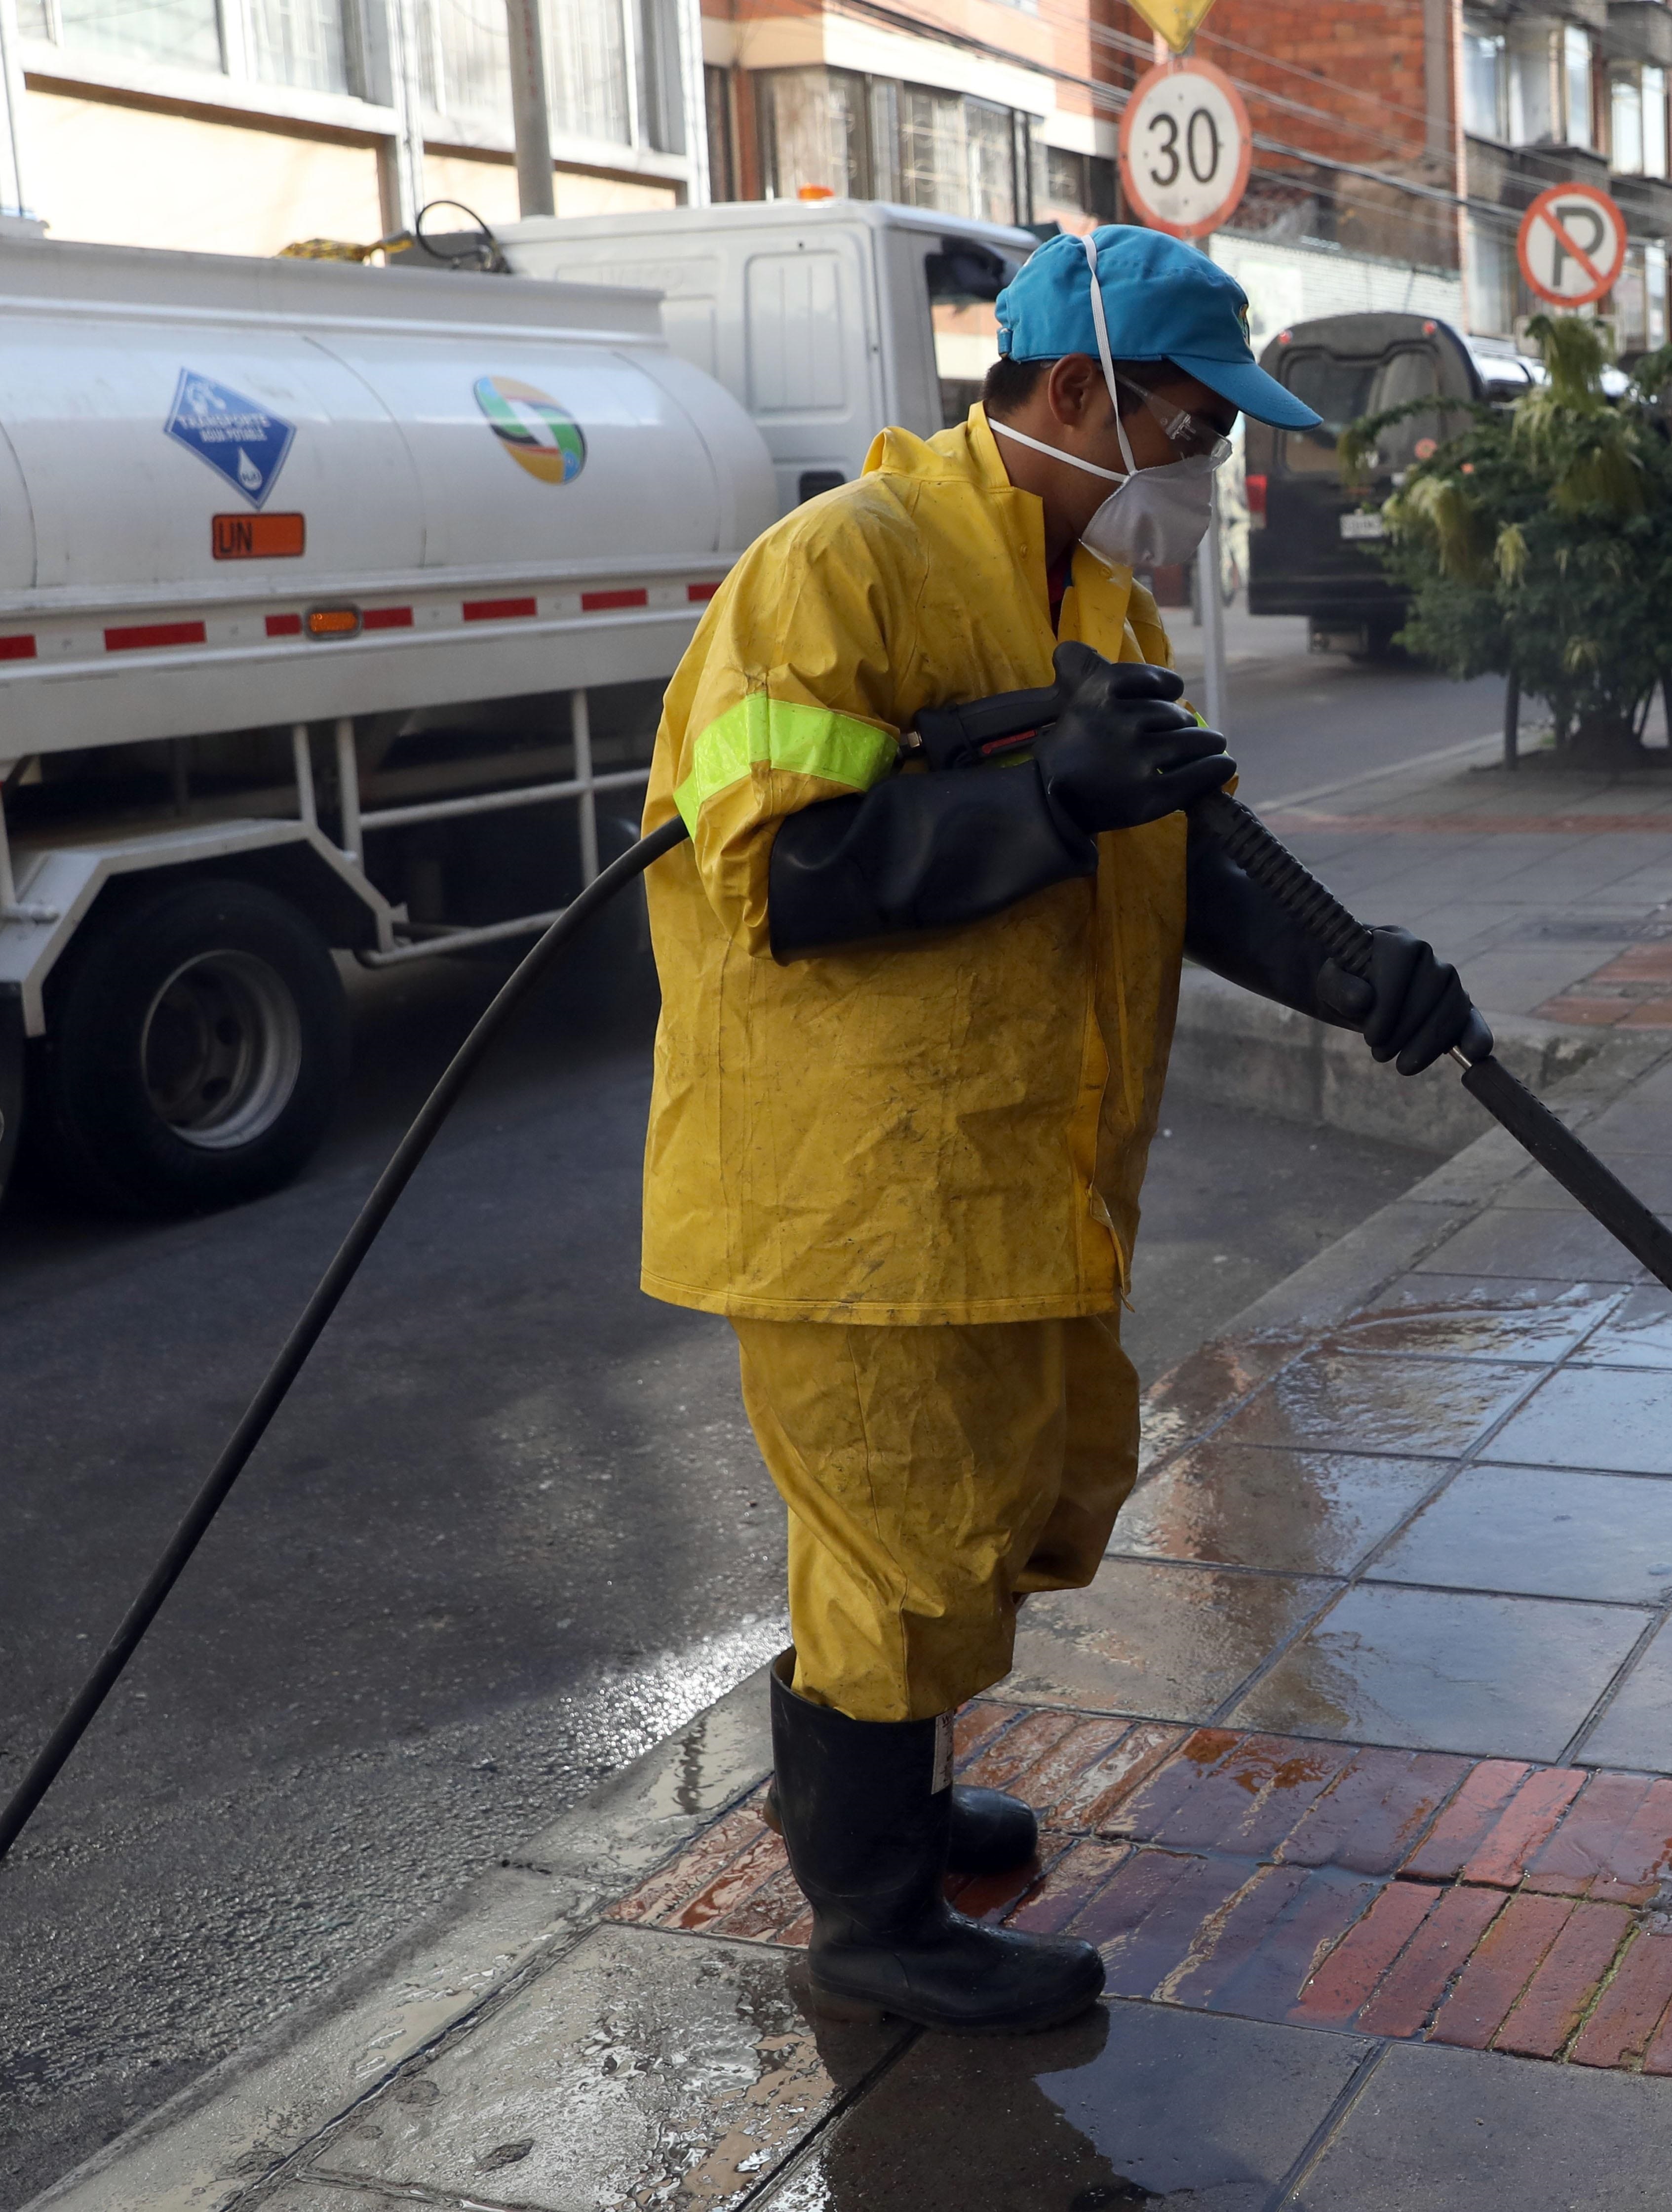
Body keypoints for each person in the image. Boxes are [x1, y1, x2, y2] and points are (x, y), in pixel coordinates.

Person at [635, 225, 1478, 2038]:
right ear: (1087, 393)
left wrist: (1358, 975)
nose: (1209, 470)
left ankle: (903, 1810)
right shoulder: (835, 576)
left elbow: (1179, 855)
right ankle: (871, 1922)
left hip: (1006, 1164)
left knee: (970, 1516)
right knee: (890, 1548)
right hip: (851, 1185)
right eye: (1192, 428)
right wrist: (1044, 799)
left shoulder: (1101, 599)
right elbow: (785, 871)